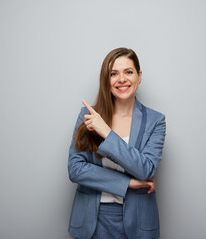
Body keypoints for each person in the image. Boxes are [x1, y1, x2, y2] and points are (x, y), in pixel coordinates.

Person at [67, 47, 166, 239]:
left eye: (128, 72)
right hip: (91, 222)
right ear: (107, 79)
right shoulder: (88, 116)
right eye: (114, 73)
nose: (122, 79)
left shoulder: (156, 121)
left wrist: (106, 132)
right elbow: (76, 169)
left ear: (139, 76)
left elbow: (145, 169)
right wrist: (128, 183)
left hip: (138, 223)